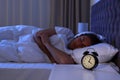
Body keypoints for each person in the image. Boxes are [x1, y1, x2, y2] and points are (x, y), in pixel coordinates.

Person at [34, 27, 102, 64]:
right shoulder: (67, 32)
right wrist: (51, 56)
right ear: (79, 35)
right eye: (81, 40)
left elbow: (64, 61)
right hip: (29, 39)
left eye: (83, 46)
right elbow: (39, 34)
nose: (78, 44)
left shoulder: (71, 55)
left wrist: (47, 43)